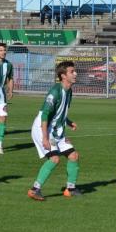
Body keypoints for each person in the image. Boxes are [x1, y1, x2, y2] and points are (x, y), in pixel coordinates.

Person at [28, 61, 81, 201]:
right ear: (63, 76)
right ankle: (35, 189)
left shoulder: (69, 90)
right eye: (72, 71)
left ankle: (70, 189)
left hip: (56, 129)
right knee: (54, 158)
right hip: (42, 128)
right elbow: (45, 115)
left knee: (73, 155)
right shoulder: (55, 91)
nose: (75, 74)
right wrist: (45, 138)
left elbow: (60, 111)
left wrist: (69, 122)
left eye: (74, 71)